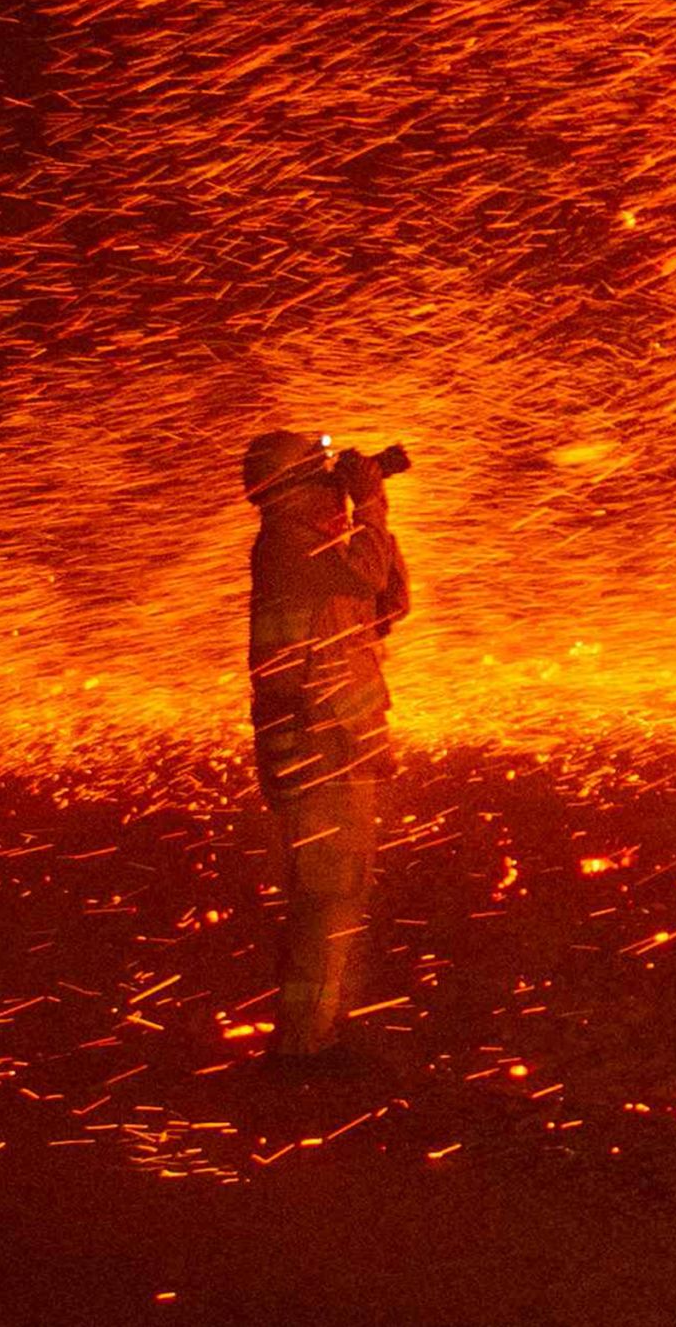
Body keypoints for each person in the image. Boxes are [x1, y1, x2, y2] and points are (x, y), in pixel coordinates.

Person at [241, 430, 409, 1071]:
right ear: (290, 492)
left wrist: (374, 505)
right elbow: (364, 572)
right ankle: (301, 1045)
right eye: (324, 483)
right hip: (316, 751)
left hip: (340, 749)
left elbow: (389, 601)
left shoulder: (315, 552)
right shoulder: (285, 547)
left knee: (337, 895)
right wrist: (369, 506)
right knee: (323, 898)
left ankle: (315, 1031)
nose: (334, 497)